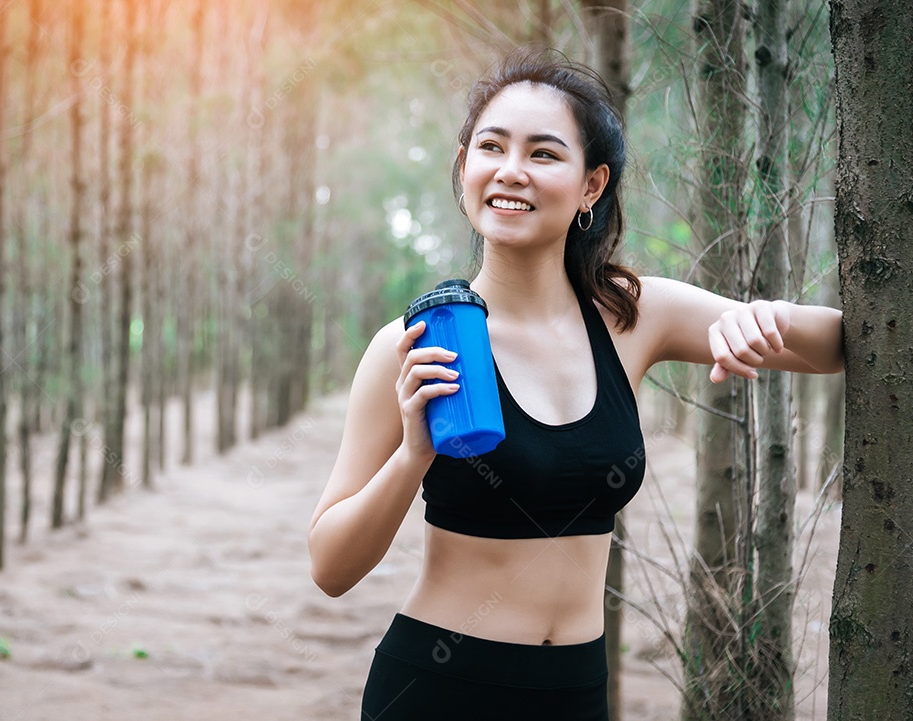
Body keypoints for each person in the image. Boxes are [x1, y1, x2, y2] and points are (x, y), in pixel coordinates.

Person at [307, 47, 843, 721]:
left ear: (592, 185)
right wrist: (413, 455)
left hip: (578, 690)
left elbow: (836, 344)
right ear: (465, 163)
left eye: (542, 153)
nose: (510, 171)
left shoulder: (635, 316)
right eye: (491, 146)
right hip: (440, 688)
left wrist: (766, 317)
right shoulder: (412, 345)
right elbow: (330, 566)